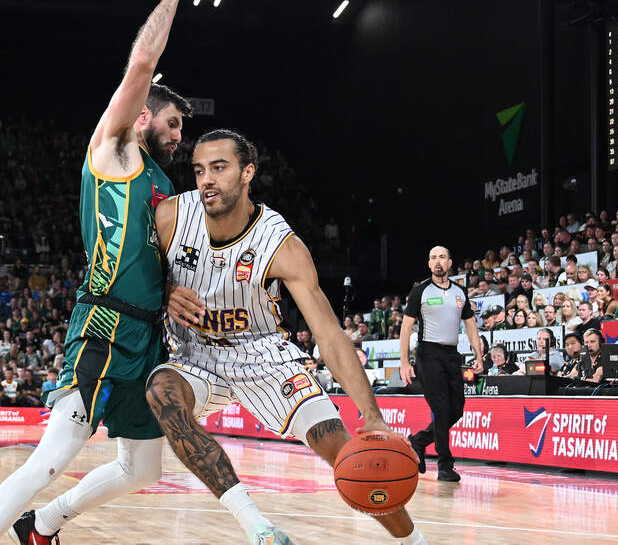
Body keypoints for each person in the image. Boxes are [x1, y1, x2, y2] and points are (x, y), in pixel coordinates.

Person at [95, 129, 419, 543]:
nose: (206, 179)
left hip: (265, 358)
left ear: (248, 172)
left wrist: (372, 418)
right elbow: (134, 278)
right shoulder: (171, 217)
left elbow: (329, 333)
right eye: (198, 171)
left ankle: (415, 542)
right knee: (162, 389)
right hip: (195, 356)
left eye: (219, 168)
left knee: (352, 459)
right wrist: (166, 292)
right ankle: (257, 527)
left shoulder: (280, 244)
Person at [0, 0, 190, 545]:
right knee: (50, 458)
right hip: (106, 326)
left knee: (142, 467)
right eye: (172, 123)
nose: (179, 135)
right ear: (143, 116)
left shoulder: (164, 184)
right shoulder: (114, 153)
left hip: (146, 336)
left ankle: (43, 523)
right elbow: (142, 65)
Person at [399, 246, 485, 484]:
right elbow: (406, 327)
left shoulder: (460, 292)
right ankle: (446, 466)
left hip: (451, 354)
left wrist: (478, 355)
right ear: (429, 264)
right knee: (441, 408)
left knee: (457, 409)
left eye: (443, 257)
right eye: (434, 258)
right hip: (428, 354)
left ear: (450, 263)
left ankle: (418, 441)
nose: (438, 261)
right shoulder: (420, 291)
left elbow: (470, 325)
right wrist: (405, 362)